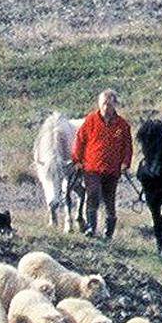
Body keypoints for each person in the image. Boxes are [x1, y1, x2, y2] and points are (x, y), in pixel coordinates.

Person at [70, 88, 132, 238]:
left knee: (110, 200)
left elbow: (127, 146)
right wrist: (77, 160)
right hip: (92, 167)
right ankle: (91, 227)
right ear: (99, 104)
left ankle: (108, 233)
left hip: (112, 169)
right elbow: (80, 140)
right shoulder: (90, 120)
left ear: (114, 105)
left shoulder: (122, 125)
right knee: (93, 194)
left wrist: (125, 163)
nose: (106, 107)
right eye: (104, 104)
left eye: (109, 104)